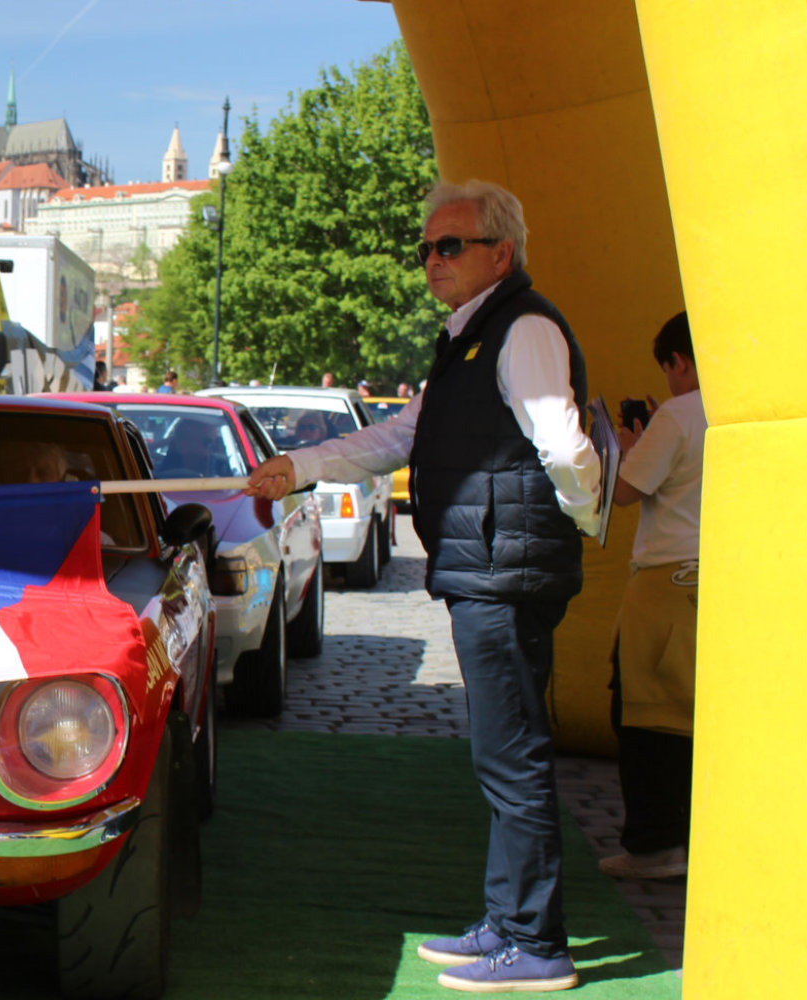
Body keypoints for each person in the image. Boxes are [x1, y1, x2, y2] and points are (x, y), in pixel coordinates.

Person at [246, 179, 599, 993]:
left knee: (512, 755)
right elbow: (401, 436)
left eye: (449, 246)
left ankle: (536, 942)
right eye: (426, 248)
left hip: (505, 572)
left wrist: (582, 517)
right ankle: (508, 921)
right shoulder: (470, 337)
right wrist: (299, 466)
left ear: (500, 254)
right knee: (499, 753)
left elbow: (563, 444)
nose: (432, 261)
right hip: (490, 567)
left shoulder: (523, 328)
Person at [602, 310, 703, 880]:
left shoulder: (680, 415)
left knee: (645, 715)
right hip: (727, 575)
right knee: (701, 714)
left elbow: (624, 492)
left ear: (678, 362)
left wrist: (626, 447)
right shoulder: (742, 411)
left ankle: (655, 845)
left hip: (668, 581)